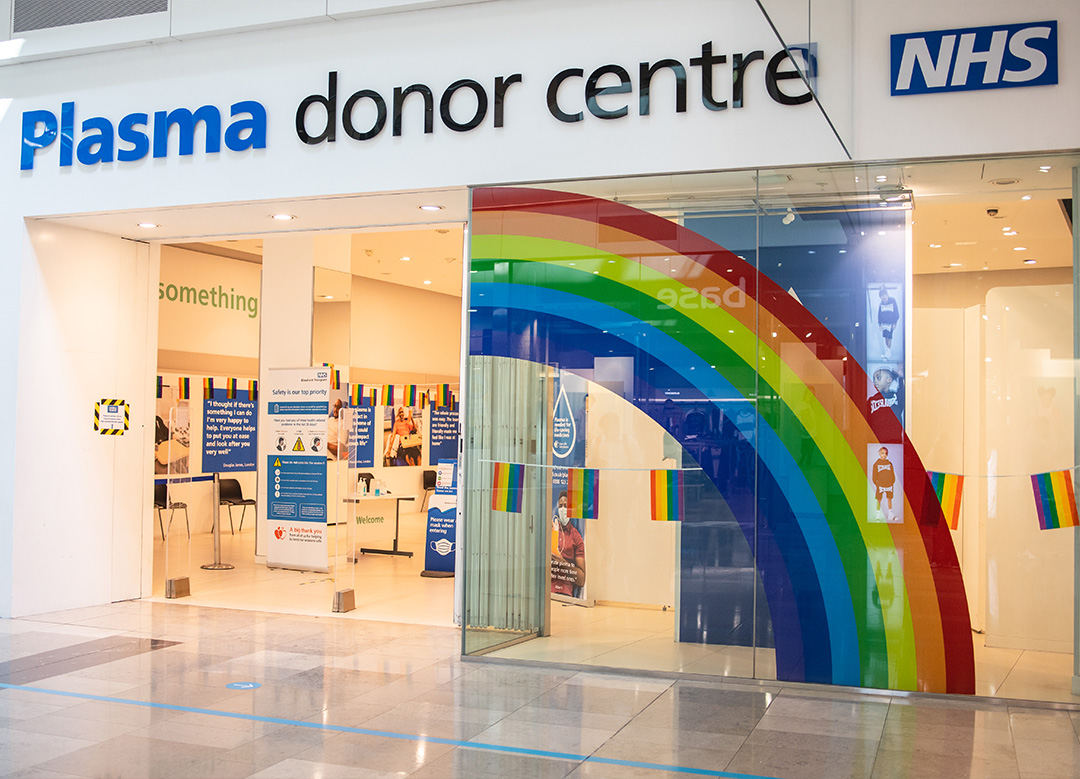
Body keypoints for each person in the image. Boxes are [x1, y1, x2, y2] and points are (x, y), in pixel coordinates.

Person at [551, 490, 586, 597]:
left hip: (565, 594)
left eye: (566, 506)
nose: (563, 509)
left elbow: (581, 580)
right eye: (560, 506)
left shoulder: (576, 537)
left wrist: (562, 563)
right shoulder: (551, 530)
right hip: (545, 591)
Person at [872, 446, 897, 522]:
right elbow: (874, 476)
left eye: (885, 453)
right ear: (879, 453)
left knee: (889, 499)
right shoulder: (876, 464)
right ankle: (878, 515)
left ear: (886, 455)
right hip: (880, 485)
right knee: (879, 499)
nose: (883, 455)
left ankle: (890, 514)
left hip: (889, 485)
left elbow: (892, 474)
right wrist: (877, 484)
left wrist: (892, 482)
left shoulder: (889, 463)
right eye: (882, 453)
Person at [877, 287, 900, 359]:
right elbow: (879, 314)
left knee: (889, 337)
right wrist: (880, 324)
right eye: (881, 296)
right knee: (886, 337)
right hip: (884, 323)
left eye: (884, 295)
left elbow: (896, 313)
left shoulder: (893, 301)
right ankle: (887, 352)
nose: (883, 297)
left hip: (891, 323)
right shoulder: (881, 304)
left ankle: (888, 353)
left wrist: (894, 323)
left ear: (887, 295)